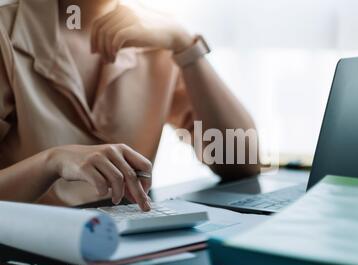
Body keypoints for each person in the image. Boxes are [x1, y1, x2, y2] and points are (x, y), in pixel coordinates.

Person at [0, 0, 260, 211]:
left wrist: (184, 43)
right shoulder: (6, 34)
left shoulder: (156, 36)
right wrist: (51, 162)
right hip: (26, 262)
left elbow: (240, 161)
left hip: (126, 248)